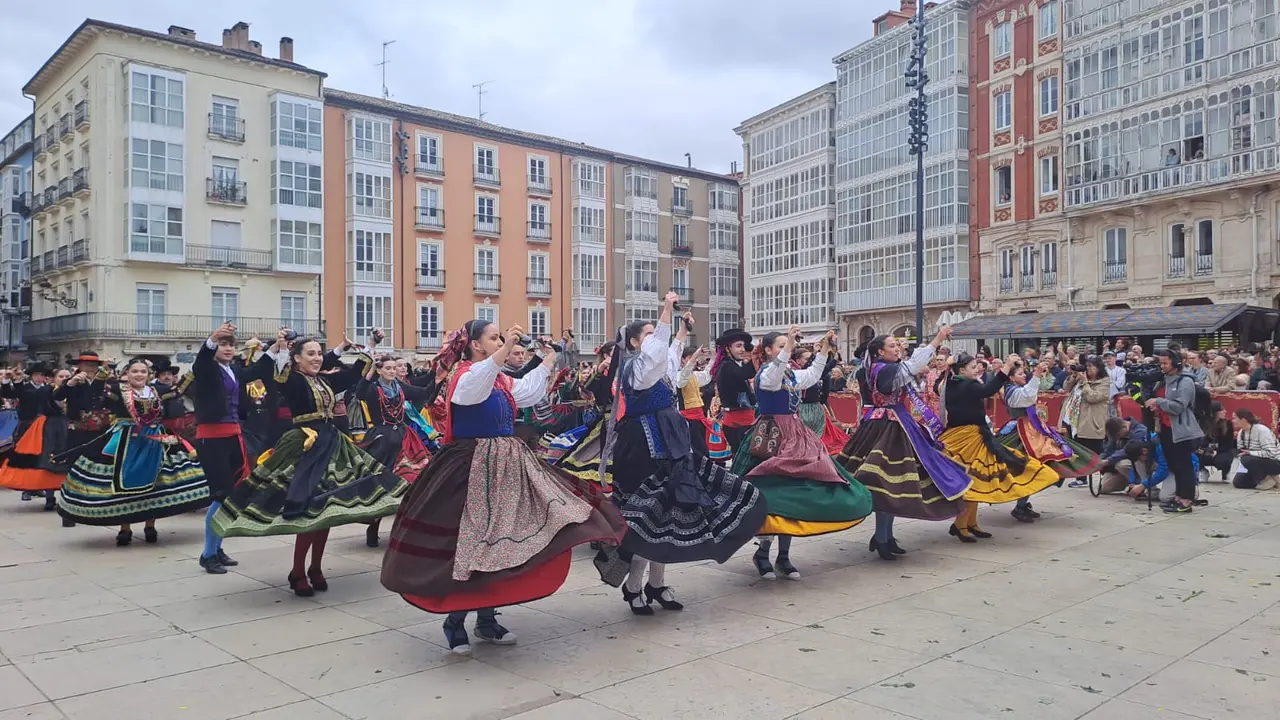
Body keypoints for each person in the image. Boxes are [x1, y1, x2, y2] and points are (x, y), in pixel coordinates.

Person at [380, 320, 626, 654]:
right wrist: (507, 348)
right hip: (469, 468)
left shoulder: (498, 377)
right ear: (475, 344)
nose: (500, 342)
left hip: (506, 465)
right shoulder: (463, 375)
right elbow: (474, 390)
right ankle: (455, 621)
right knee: (470, 545)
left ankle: (486, 619)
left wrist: (549, 358)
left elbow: (527, 392)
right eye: (494, 337)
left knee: (502, 544)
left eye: (501, 338)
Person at [212, 332, 408, 595]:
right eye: (311, 354)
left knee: (325, 512)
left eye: (318, 354)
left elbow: (353, 374)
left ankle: (315, 567)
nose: (317, 358)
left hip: (331, 442)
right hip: (304, 444)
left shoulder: (324, 381)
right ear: (297, 358)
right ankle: (297, 570)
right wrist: (281, 348)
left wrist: (371, 345)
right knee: (309, 509)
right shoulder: (292, 379)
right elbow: (279, 377)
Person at [607, 295, 767, 614]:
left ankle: (656, 584)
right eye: (648, 334)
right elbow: (657, 356)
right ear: (635, 343)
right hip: (643, 447)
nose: (656, 338)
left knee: (667, 517)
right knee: (647, 519)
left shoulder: (654, 366)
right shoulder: (634, 368)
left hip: (670, 443)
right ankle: (634, 585)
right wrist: (666, 311)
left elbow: (669, 356)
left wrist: (682, 330)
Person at [730, 329, 871, 578]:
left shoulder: (790, 373)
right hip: (770, 437)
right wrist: (789, 346)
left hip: (796, 435)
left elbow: (813, 375)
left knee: (797, 493)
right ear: (768, 350)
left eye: (787, 345)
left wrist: (825, 348)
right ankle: (763, 553)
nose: (787, 347)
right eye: (781, 345)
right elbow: (774, 378)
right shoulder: (766, 374)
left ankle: (784, 556)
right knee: (772, 494)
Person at [838, 328, 972, 560]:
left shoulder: (881, 368)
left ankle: (885, 536)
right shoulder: (883, 369)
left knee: (893, 486)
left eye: (896, 345)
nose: (897, 348)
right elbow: (912, 366)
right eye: (892, 345)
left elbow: (910, 368)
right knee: (886, 484)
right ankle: (882, 537)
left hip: (895, 423)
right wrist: (937, 340)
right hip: (888, 427)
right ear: (880, 352)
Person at [58, 358, 212, 544]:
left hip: (155, 440)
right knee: (123, 483)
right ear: (127, 374)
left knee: (156, 484)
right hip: (125, 439)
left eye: (143, 371)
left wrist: (196, 368)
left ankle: (150, 525)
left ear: (149, 375)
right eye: (135, 371)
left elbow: (178, 390)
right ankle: (125, 528)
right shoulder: (117, 390)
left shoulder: (157, 390)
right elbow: (97, 393)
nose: (139, 375)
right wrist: (103, 373)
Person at [939, 353, 1059, 541]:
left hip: (965, 435)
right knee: (973, 480)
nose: (977, 370)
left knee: (974, 479)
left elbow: (975, 388)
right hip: (968, 438)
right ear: (961, 370)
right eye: (973, 367)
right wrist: (1007, 366)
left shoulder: (950, 384)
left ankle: (970, 523)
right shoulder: (967, 385)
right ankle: (961, 525)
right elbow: (988, 389)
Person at [183, 323, 272, 574]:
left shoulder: (233, 370)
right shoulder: (207, 368)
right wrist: (212, 338)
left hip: (233, 435)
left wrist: (277, 348)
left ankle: (217, 547)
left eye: (231, 345)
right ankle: (208, 554)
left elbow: (258, 370)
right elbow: (201, 361)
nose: (228, 349)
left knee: (231, 495)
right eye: (223, 345)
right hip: (212, 438)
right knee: (221, 495)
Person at [352, 335, 433, 549]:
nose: (391, 371)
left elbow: (424, 392)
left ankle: (403, 529)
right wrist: (370, 371)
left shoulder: (400, 388)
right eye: (387, 368)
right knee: (380, 483)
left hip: (403, 437)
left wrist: (440, 372)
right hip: (382, 439)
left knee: (410, 480)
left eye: (393, 368)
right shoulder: (373, 389)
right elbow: (359, 392)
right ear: (380, 371)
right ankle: (373, 527)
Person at [998, 360, 1101, 521]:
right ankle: (1020, 505)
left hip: (1033, 430)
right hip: (1022, 434)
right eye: (1020, 373)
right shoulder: (1012, 391)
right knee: (1030, 469)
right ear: (1011, 378)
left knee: (1044, 467)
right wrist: (1037, 375)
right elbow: (1027, 396)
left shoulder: (1018, 388)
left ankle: (1022, 504)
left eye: (1024, 372)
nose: (1024, 375)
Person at [0, 364, 68, 510]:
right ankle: (28, 489)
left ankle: (44, 490)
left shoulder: (51, 389)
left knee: (49, 459)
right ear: (31, 376)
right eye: (37, 375)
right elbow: (10, 394)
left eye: (42, 375)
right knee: (29, 458)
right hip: (29, 425)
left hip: (52, 427)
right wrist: (9, 380)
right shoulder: (27, 388)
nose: (39, 377)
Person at [1144, 349, 1204, 513]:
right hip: (1165, 429)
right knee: (1174, 465)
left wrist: (1158, 401)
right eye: (1160, 363)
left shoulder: (1185, 381)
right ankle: (1178, 497)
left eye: (1165, 363)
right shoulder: (1163, 381)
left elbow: (1179, 406)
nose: (1162, 366)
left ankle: (1186, 500)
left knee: (1184, 465)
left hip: (1181, 429)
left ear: (1176, 363)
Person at [1063, 358, 1111, 486]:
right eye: (1087, 366)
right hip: (1076, 421)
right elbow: (1065, 388)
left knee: (1096, 451)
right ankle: (1082, 478)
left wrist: (1085, 383)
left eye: (1091, 366)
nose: (1088, 369)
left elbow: (1092, 397)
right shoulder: (1081, 379)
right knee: (1079, 450)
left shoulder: (1104, 383)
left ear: (1099, 368)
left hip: (1092, 422)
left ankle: (1108, 475)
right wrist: (1074, 376)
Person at [713, 328, 757, 451]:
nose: (742, 349)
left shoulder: (738, 365)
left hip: (746, 419)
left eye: (743, 346)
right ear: (728, 349)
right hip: (736, 422)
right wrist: (755, 356)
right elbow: (745, 374)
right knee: (741, 455)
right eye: (738, 346)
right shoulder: (726, 366)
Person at [1097, 417, 1150, 494]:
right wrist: (1099, 460)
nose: (1117, 438)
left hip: (1138, 462)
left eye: (1118, 435)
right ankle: (1129, 482)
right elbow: (1107, 450)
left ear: (1124, 427)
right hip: (1118, 465)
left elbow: (1126, 451)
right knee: (1105, 488)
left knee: (1122, 464)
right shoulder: (1116, 432)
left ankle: (1140, 485)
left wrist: (1108, 461)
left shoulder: (1140, 431)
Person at [1232, 409, 1280, 489]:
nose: (1233, 421)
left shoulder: (1262, 430)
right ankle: (1269, 480)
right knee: (1238, 482)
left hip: (1275, 461)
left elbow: (1271, 453)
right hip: (1254, 461)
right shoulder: (1241, 433)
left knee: (1247, 459)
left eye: (1234, 418)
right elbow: (1241, 452)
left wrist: (1250, 453)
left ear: (1243, 419)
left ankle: (1267, 478)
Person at [1198, 401, 1237, 483]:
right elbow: (1200, 441)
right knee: (1194, 454)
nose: (1225, 411)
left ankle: (1225, 472)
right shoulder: (1203, 423)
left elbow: (1228, 443)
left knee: (1224, 459)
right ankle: (1203, 470)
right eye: (1222, 410)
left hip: (1222, 450)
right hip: (1206, 449)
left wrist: (1217, 450)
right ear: (1214, 412)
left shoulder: (1227, 424)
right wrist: (1207, 450)